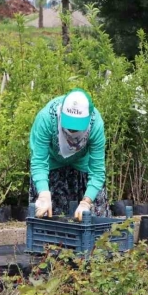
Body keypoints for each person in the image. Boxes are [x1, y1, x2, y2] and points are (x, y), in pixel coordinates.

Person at [29, 88, 109, 220]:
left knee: (93, 217)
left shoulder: (96, 126)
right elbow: (39, 162)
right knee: (50, 216)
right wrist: (43, 193)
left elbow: (97, 171)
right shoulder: (46, 119)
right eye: (69, 125)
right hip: (51, 161)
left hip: (81, 161)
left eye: (77, 127)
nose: (72, 130)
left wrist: (86, 202)